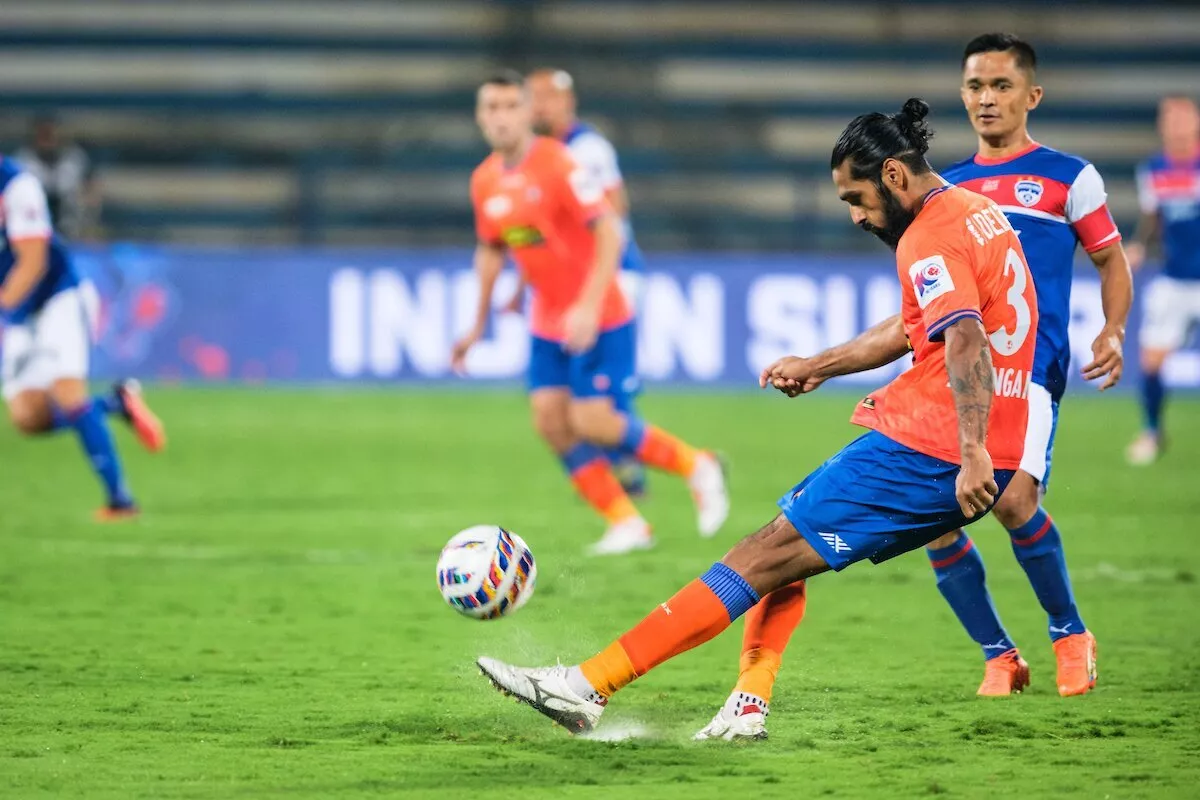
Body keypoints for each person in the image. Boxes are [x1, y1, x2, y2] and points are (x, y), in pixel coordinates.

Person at [476, 97, 1039, 735]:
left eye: (856, 198)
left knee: (762, 553)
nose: (856, 216)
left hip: (933, 448)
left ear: (893, 176)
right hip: (974, 441)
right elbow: (920, 325)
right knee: (784, 548)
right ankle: (746, 707)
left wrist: (970, 454)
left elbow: (963, 339)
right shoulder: (975, 212)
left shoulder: (928, 236)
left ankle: (585, 686)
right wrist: (821, 365)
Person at [691, 34, 1130, 739]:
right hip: (951, 372)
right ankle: (998, 653)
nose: (987, 98)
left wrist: (1111, 330)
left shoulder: (1067, 177)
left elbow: (1110, 259)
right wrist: (823, 363)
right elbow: (921, 318)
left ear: (1030, 96)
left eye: (1001, 85)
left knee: (1012, 500)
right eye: (975, 86)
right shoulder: (939, 186)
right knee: (937, 517)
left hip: (1029, 369)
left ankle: (1069, 633)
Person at [453, 71, 728, 556]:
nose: (498, 117)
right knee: (550, 422)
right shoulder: (485, 181)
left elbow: (609, 232)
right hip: (547, 318)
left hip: (600, 312)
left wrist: (586, 304)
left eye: (507, 106)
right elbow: (494, 248)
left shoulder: (560, 163)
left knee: (594, 422)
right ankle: (627, 522)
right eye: (489, 108)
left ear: (525, 112)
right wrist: (477, 324)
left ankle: (697, 464)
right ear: (480, 117)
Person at [0, 153, 165, 519]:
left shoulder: (15, 185)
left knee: (68, 393)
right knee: (28, 418)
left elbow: (33, 261)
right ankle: (116, 404)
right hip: (20, 314)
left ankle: (120, 500)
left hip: (58, 298)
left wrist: (4, 307)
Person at [511, 68, 650, 497]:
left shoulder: (585, 148)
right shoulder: (538, 154)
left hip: (613, 272)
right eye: (532, 98)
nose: (538, 106)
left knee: (600, 384)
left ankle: (629, 468)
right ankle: (616, 470)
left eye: (545, 97)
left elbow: (614, 209)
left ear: (567, 101)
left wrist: (594, 275)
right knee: (570, 389)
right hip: (573, 282)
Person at [1125, 96, 1200, 465]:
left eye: (1183, 119)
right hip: (1173, 278)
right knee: (1151, 360)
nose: (1176, 126)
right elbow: (1152, 217)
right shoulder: (1154, 169)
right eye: (1169, 119)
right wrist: (1139, 244)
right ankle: (1152, 432)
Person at [16, 115, 100, 241]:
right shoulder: (22, 161)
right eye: (43, 135)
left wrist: (88, 222)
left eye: (50, 134)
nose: (47, 140)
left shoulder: (76, 159)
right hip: (31, 229)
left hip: (72, 229)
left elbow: (92, 190)